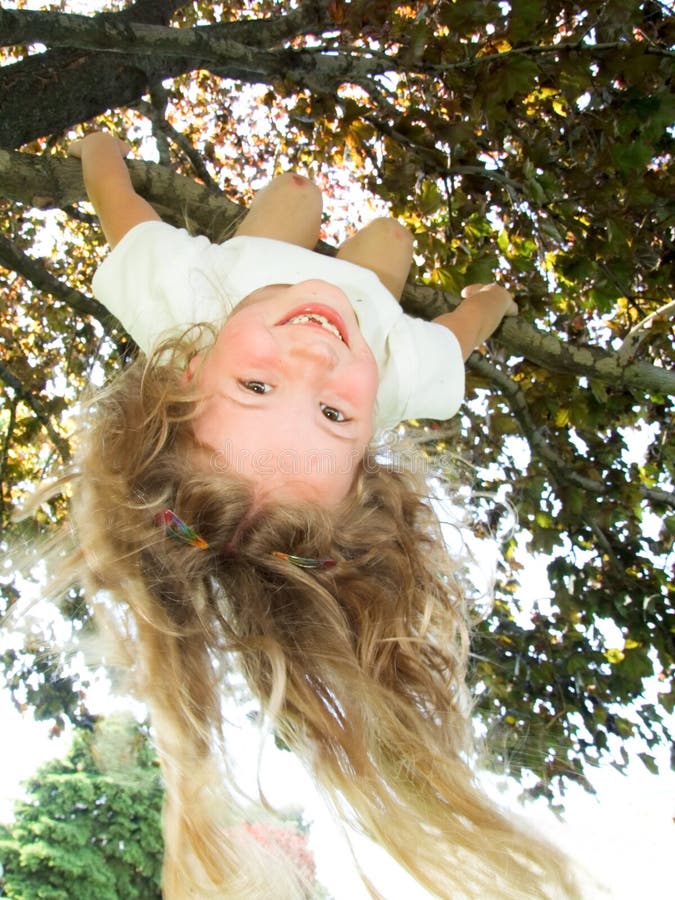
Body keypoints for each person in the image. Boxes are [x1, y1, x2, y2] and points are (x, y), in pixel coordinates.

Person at [57, 132, 576, 898]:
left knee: (297, 191)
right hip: (364, 294)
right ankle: (362, 264)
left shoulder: (176, 305)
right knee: (388, 240)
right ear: (368, 449)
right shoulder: (392, 375)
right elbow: (458, 340)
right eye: (334, 415)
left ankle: (292, 224)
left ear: (188, 373)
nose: (308, 363)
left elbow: (118, 204)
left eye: (256, 388)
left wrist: (98, 148)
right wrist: (490, 302)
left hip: (255, 262)